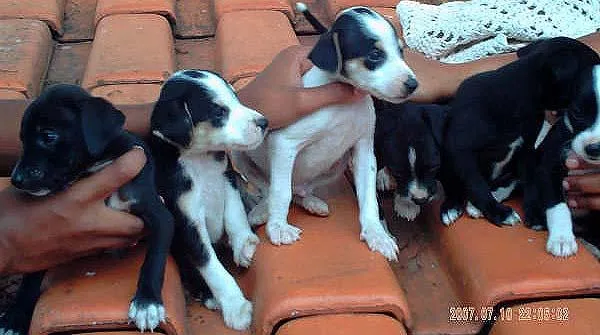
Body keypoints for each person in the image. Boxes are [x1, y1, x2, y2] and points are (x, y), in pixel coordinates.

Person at [1, 32, 600, 275]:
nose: (403, 76)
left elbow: (363, 154)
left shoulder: (363, 105)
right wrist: (276, 208)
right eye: (377, 60)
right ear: (335, 56)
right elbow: (277, 147)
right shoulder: (315, 92)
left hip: (315, 171)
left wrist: (369, 219)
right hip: (269, 179)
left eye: (395, 54)